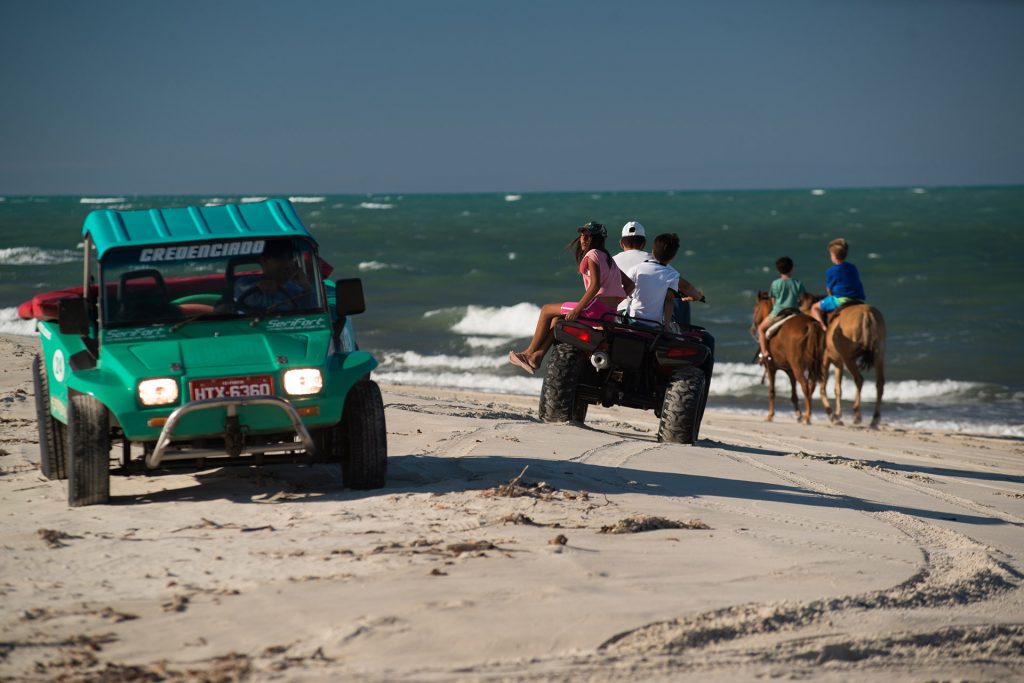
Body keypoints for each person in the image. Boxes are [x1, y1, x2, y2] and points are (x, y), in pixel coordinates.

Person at [509, 221, 632, 374]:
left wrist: (578, 309)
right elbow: (630, 285)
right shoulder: (609, 259)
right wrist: (614, 302)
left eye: (587, 236)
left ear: (597, 239)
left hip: (595, 310)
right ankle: (537, 357)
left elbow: (595, 285)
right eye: (582, 235)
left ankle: (528, 353)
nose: (583, 239)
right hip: (609, 314)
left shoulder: (592, 255)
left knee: (547, 309)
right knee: (557, 320)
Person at [622, 233, 703, 329]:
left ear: (652, 252)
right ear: (673, 257)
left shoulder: (636, 269)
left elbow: (624, 292)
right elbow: (669, 300)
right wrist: (666, 326)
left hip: (633, 321)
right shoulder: (673, 275)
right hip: (654, 325)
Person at [234, 239, 313, 311]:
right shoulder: (245, 282)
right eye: (279, 259)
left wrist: (307, 287)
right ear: (264, 261)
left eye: (290, 258)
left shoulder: (297, 289)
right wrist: (259, 287)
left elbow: (313, 311)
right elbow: (246, 296)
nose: (287, 264)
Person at [756, 256, 807, 363]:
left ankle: (764, 353)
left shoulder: (775, 283)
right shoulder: (797, 282)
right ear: (792, 269)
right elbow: (802, 299)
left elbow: (773, 301)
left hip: (779, 312)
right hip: (795, 311)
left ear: (778, 270)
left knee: (760, 329)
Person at [810, 237, 866, 331]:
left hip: (840, 300)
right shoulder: (852, 267)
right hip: (856, 298)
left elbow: (829, 290)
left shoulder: (831, 271)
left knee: (814, 307)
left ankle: (823, 327)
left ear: (833, 256)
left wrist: (830, 296)